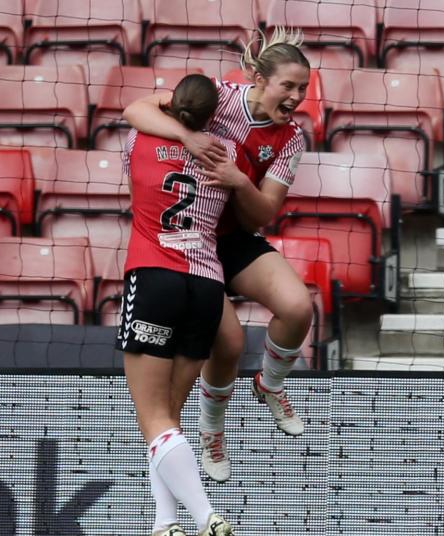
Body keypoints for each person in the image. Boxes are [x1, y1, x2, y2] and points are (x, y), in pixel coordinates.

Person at [123, 28, 314, 483]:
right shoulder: (221, 96)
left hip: (232, 235)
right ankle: (212, 431)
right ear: (260, 79)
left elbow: (261, 215)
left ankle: (269, 383)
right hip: (190, 238)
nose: (297, 96)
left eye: (303, 89)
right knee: (227, 343)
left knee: (298, 307)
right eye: (289, 85)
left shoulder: (290, 139)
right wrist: (186, 139)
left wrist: (238, 180)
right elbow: (135, 109)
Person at [118, 74, 256, 536]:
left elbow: (135, 105)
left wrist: (176, 125)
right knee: (169, 420)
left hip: (154, 277)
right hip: (206, 289)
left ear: (173, 107)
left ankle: (204, 518)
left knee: (151, 417)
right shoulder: (227, 152)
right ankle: (163, 525)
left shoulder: (141, 138)